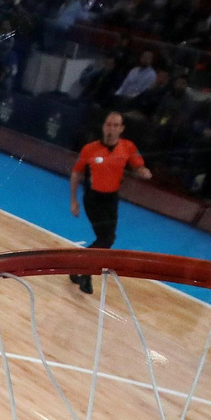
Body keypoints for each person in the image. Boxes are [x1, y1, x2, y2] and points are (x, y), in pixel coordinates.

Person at [69, 112, 152, 294]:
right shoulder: (90, 149)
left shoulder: (128, 147)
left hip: (111, 199)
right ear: (103, 127)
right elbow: (76, 173)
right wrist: (74, 200)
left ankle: (78, 265)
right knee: (105, 238)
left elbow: (138, 165)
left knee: (107, 239)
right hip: (93, 198)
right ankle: (86, 275)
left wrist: (143, 172)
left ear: (121, 129)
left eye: (115, 125)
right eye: (108, 124)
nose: (111, 129)